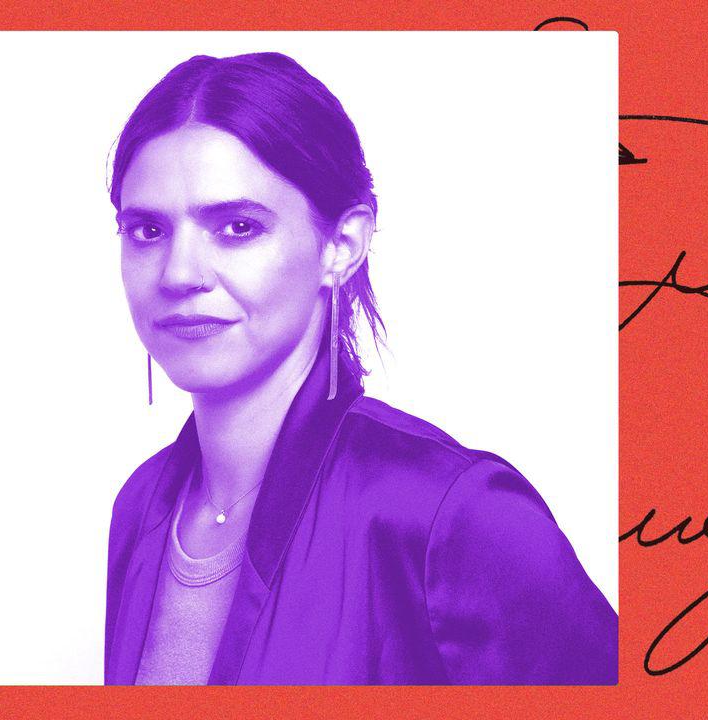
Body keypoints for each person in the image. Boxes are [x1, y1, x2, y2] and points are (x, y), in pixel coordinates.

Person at [104, 51, 617, 685]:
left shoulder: (449, 513)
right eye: (147, 231)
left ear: (341, 246)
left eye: (237, 226)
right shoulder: (141, 506)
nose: (180, 274)